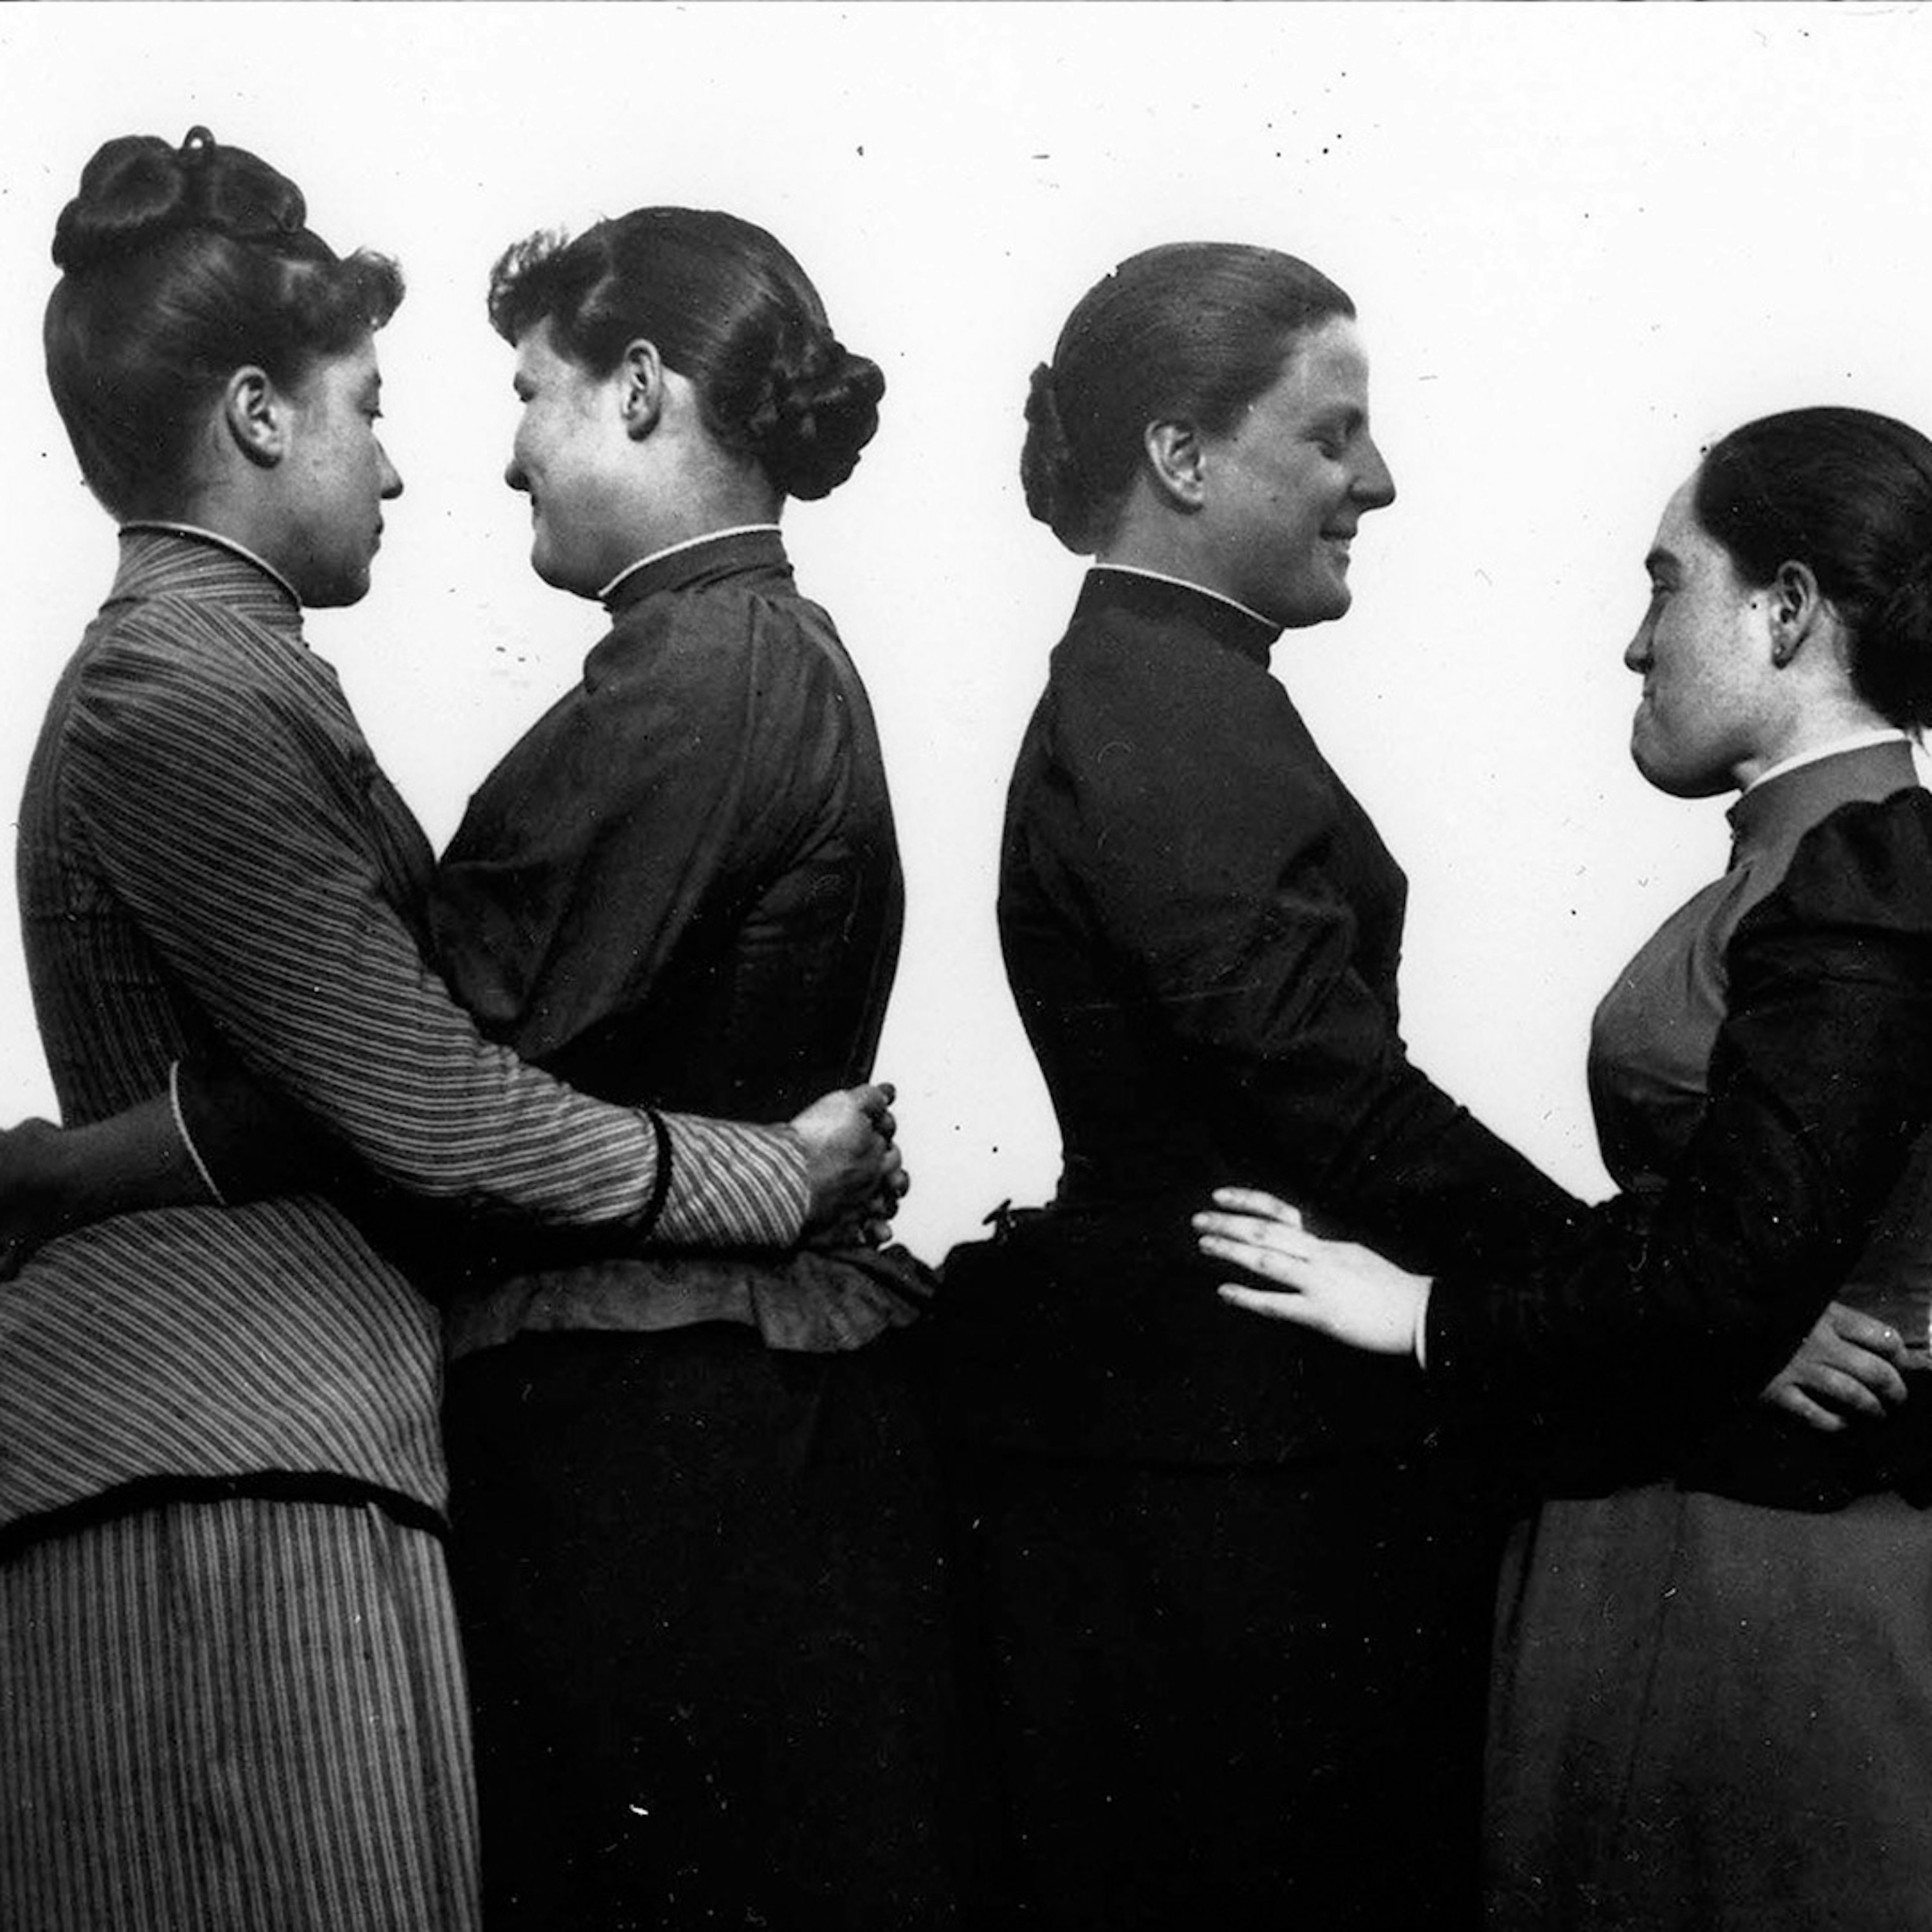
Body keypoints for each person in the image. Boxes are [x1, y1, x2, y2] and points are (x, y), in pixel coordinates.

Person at [7, 128, 892, 1932]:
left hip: (313, 1429)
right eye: (371, 405)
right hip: (241, 1431)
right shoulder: (185, 687)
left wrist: (75, 1162)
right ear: (258, 417)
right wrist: (770, 1177)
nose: (421, 466)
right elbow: (422, 1086)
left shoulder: (246, 672)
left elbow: (411, 1053)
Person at [1196, 406, 1932, 1930]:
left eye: (1669, 584)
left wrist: (1418, 1315)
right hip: (1699, 1554)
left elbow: (1734, 1272)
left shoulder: (1861, 875)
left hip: (1762, 1589)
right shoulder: (1806, 865)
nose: (1634, 644)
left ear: (1787, 609)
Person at [934, 241, 1590, 1931]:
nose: (1378, 479)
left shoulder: (1177, 689)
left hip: (1216, 1440)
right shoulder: (1168, 702)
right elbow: (1331, 1096)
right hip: (1225, 1469)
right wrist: (1634, 1289)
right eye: (1331, 434)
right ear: (1178, 457)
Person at [422, 208, 962, 1932]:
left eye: (532, 392)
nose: (509, 454)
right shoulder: (742, 655)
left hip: (660, 1422)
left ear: (640, 387)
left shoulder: (703, 671)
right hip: (718, 1398)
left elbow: (439, 1057)